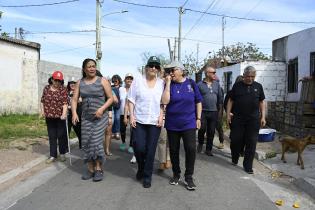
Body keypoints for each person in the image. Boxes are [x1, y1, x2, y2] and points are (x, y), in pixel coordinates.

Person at [162, 61, 202, 191]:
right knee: (174, 150)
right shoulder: (168, 85)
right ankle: (176, 174)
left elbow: (198, 101)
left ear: (181, 71)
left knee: (190, 149)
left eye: (173, 70)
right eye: (169, 71)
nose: (171, 73)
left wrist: (198, 118)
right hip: (172, 123)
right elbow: (164, 101)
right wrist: (168, 83)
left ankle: (189, 177)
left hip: (189, 122)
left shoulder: (191, 83)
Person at [71, 58, 113, 182]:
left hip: (100, 117)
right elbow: (74, 99)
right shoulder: (80, 83)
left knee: (95, 141)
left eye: (93, 66)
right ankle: (90, 168)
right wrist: (74, 113)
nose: (92, 68)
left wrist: (102, 109)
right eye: (89, 66)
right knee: (86, 143)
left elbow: (110, 98)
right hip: (86, 118)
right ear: (84, 69)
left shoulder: (103, 81)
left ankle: (99, 168)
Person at [127, 56, 164, 188]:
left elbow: (163, 102)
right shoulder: (138, 81)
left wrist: (161, 116)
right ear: (147, 67)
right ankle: (141, 167)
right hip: (139, 120)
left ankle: (147, 176)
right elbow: (131, 99)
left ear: (158, 69)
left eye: (156, 66)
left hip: (155, 121)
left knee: (150, 150)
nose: (153, 68)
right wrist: (131, 115)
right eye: (151, 65)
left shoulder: (162, 83)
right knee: (139, 147)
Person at [226, 66, 266, 174]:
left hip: (253, 120)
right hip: (238, 119)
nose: (250, 78)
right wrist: (228, 115)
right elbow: (230, 100)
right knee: (235, 140)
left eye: (252, 76)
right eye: (248, 76)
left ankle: (248, 165)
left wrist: (263, 117)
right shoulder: (237, 86)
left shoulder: (258, 86)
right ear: (244, 75)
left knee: (251, 142)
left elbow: (262, 102)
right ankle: (235, 156)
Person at [41, 71, 68, 164]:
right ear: (52, 79)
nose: (57, 82)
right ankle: (53, 155)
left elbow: (65, 103)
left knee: (61, 136)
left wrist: (64, 114)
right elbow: (43, 101)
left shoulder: (63, 90)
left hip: (60, 117)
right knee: (52, 136)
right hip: (49, 117)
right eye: (56, 80)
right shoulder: (46, 88)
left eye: (59, 81)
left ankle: (62, 153)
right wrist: (42, 112)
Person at [197, 64, 223, 156]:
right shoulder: (199, 85)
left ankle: (209, 149)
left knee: (211, 131)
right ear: (207, 73)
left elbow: (220, 99)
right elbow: (196, 99)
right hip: (203, 111)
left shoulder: (217, 84)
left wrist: (219, 112)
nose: (215, 74)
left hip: (214, 112)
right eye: (213, 72)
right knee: (202, 129)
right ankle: (200, 143)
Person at [119, 73, 134, 154]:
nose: (129, 80)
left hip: (132, 113)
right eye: (127, 78)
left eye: (131, 79)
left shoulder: (135, 89)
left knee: (133, 130)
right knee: (122, 130)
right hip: (122, 113)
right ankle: (123, 142)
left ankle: (131, 145)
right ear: (124, 80)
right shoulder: (121, 89)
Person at [67, 78, 82, 149]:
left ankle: (81, 144)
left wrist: (78, 101)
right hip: (68, 114)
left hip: (76, 113)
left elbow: (81, 101)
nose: (72, 84)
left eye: (74, 83)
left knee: (78, 130)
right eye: (71, 83)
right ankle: (66, 147)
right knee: (67, 131)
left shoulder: (79, 92)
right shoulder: (66, 92)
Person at [111, 74, 122, 141]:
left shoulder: (121, 88)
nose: (115, 81)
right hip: (111, 106)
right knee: (112, 120)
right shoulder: (110, 87)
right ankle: (112, 132)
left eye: (116, 79)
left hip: (118, 106)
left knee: (117, 119)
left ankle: (117, 132)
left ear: (118, 80)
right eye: (114, 79)